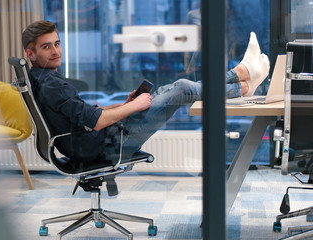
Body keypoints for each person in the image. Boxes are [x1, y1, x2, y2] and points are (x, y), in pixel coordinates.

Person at [21, 20, 270, 163]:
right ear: (30, 54)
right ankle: (241, 77)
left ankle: (242, 81)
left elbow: (85, 114)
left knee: (171, 87)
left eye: (57, 43)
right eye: (46, 47)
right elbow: (94, 122)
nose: (55, 51)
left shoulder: (43, 78)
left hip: (93, 142)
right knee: (182, 89)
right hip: (104, 147)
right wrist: (133, 106)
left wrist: (123, 105)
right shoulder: (51, 84)